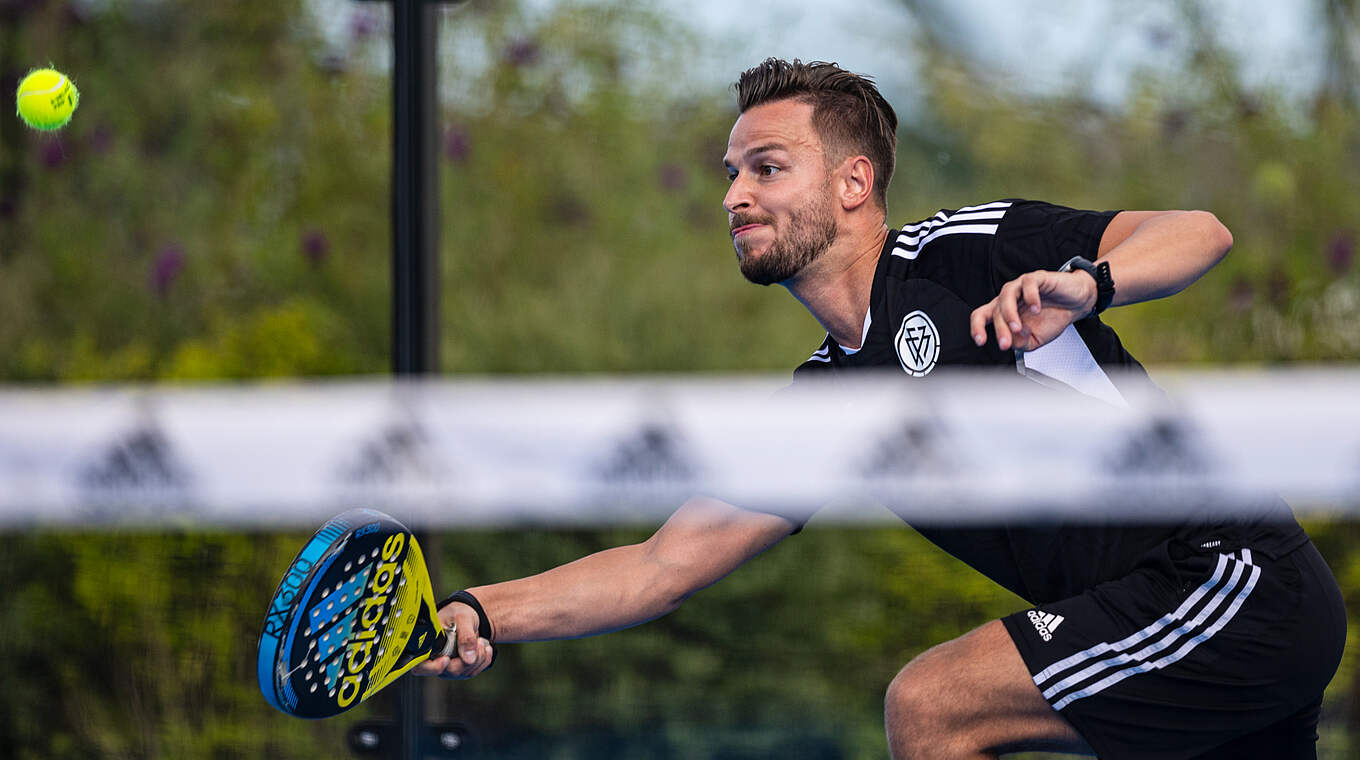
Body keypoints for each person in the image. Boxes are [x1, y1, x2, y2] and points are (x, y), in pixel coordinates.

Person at [414, 58, 1346, 759]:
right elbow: (658, 569)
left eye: (766, 168)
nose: (734, 196)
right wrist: (478, 611)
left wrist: (1090, 284)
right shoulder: (826, 408)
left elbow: (1198, 232)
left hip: (1227, 578)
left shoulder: (963, 253)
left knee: (933, 704)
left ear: (853, 183)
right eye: (730, 174)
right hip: (1164, 616)